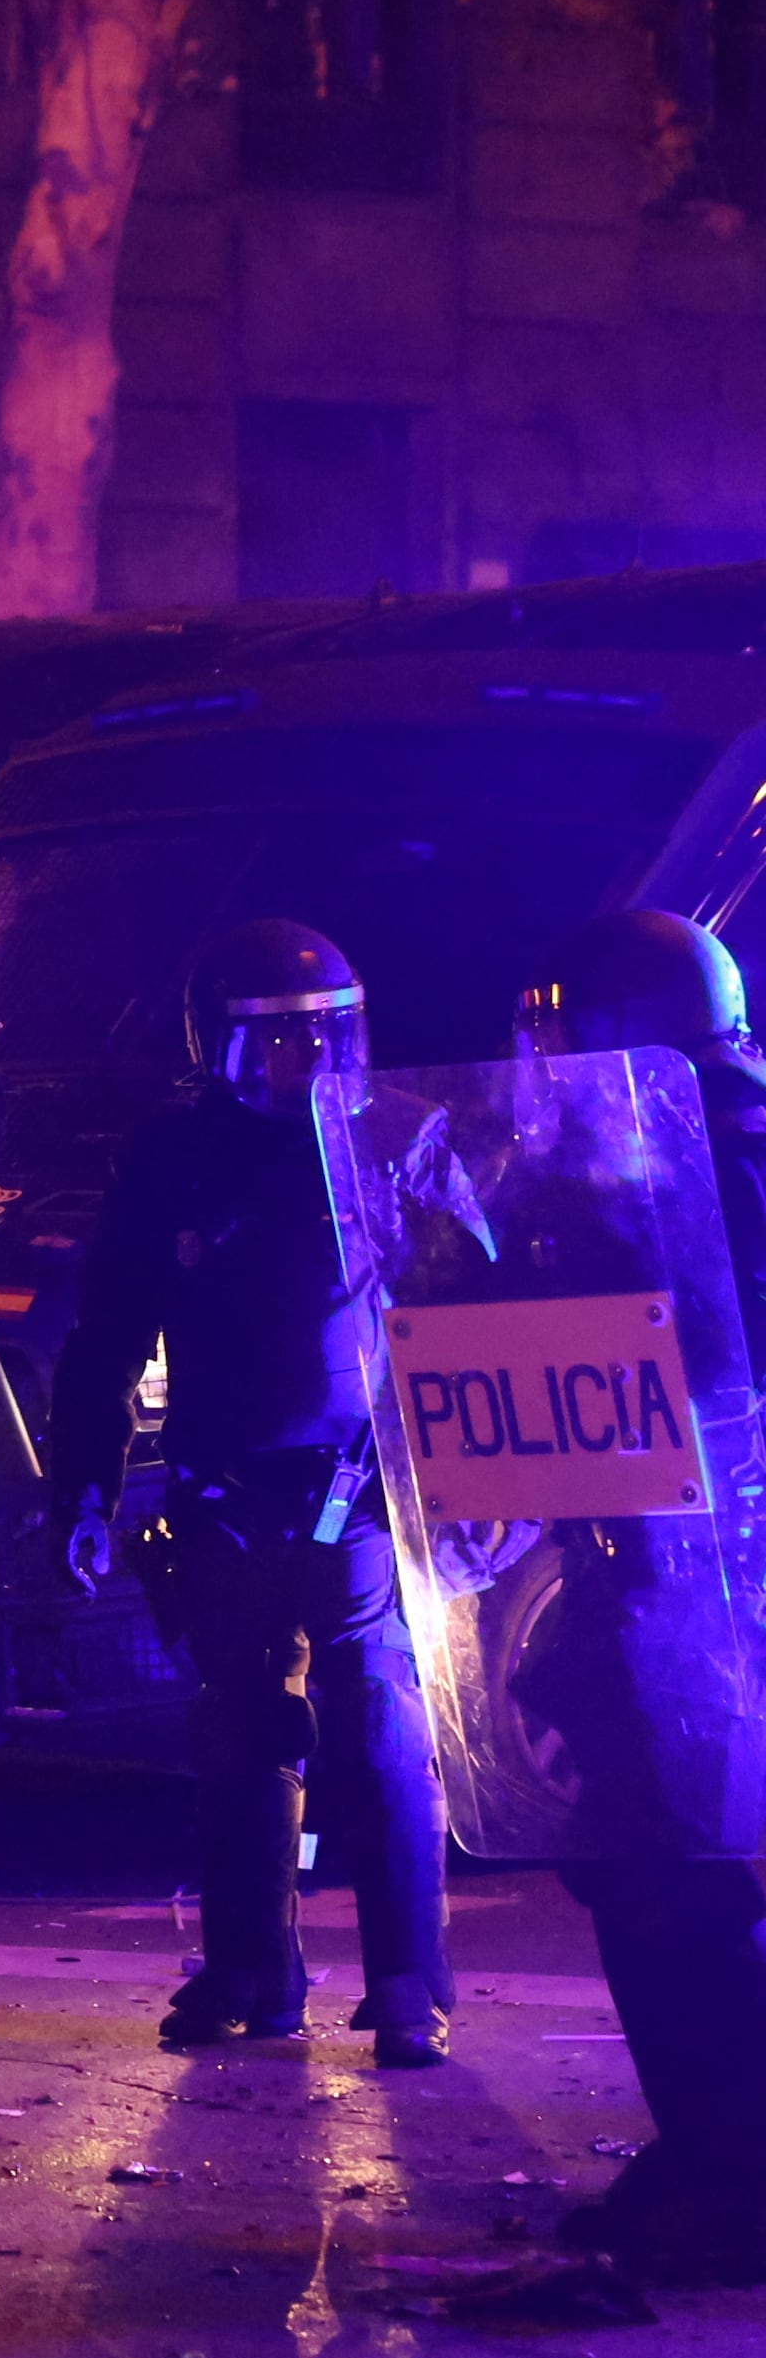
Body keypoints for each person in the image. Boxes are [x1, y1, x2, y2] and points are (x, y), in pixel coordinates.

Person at [51, 921, 450, 2069]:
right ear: (216, 1048)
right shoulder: (174, 1156)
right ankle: (245, 1972)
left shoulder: (395, 1139)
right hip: (223, 1490)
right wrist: (78, 1488)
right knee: (235, 1732)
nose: (306, 1068)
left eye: (326, 1041)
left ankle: (405, 1984)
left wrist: (460, 1486)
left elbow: (468, 1305)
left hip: (358, 1488)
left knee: (373, 1726)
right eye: (277, 1046)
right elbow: (108, 1335)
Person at [502, 913, 766, 2283]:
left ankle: (729, 2178)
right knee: (680, 1866)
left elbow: (696, 1367)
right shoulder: (732, 1131)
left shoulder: (692, 1162)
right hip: (699, 1581)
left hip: (689, 1587)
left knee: (672, 1874)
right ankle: (720, 2161)